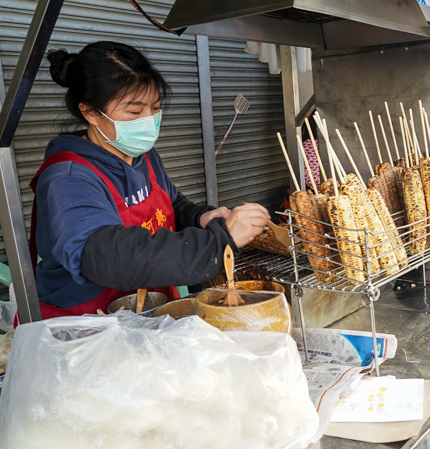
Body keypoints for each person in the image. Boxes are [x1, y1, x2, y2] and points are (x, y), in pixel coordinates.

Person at [33, 42, 270, 318]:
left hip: (152, 312)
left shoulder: (143, 155)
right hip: (90, 328)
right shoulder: (69, 177)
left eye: (155, 108)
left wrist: (200, 218)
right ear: (90, 113)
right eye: (134, 112)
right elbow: (104, 256)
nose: (149, 120)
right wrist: (219, 241)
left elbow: (172, 206)